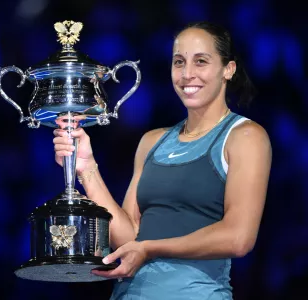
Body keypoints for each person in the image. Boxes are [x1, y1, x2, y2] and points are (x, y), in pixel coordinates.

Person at [53, 21, 272, 300]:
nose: (187, 74)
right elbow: (129, 237)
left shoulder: (245, 136)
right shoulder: (152, 141)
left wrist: (151, 248)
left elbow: (239, 238)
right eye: (179, 62)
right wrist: (86, 167)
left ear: (228, 69)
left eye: (201, 61)